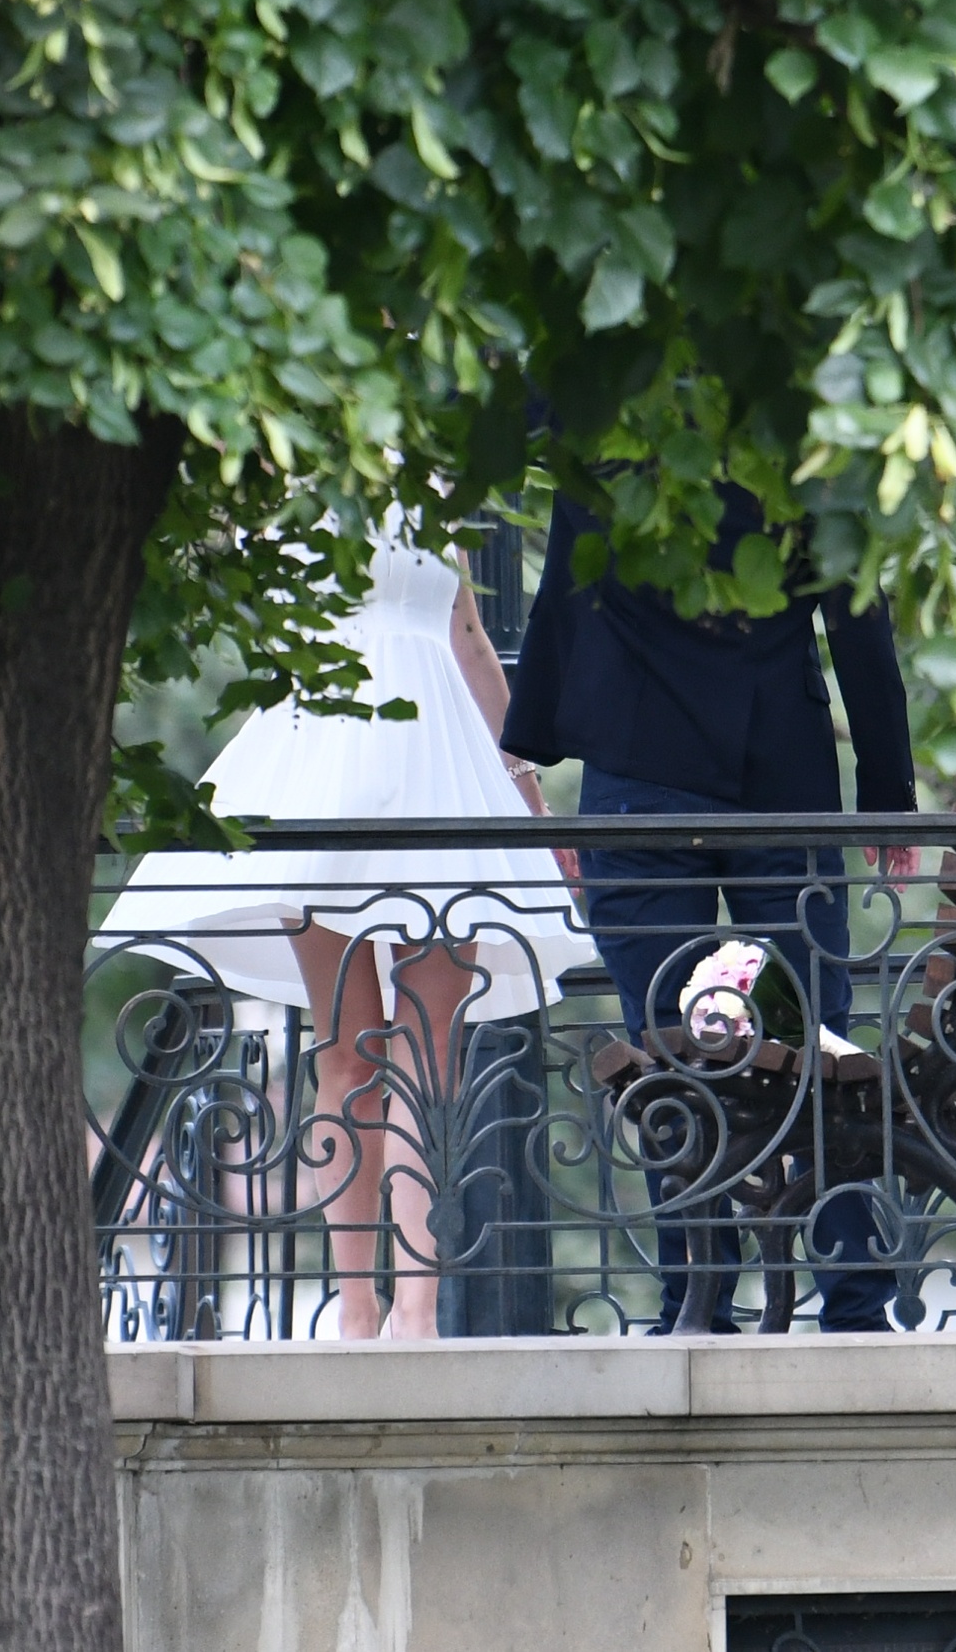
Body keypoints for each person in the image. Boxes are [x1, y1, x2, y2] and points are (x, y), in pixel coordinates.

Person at [104, 517, 580, 1339]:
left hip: (436, 768)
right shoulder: (298, 473)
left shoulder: (440, 478)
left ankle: (417, 1308)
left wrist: (527, 790)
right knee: (347, 1048)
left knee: (427, 1049)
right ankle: (359, 1304)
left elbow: (467, 637)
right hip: (329, 762)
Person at [501, 487, 914, 1332]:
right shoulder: (794, 426)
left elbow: (565, 591)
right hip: (779, 777)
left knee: (667, 1049)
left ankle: (699, 1300)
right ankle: (856, 1300)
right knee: (811, 1036)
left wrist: (526, 755)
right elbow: (854, 604)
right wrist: (886, 787)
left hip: (638, 775)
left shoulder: (611, 421)